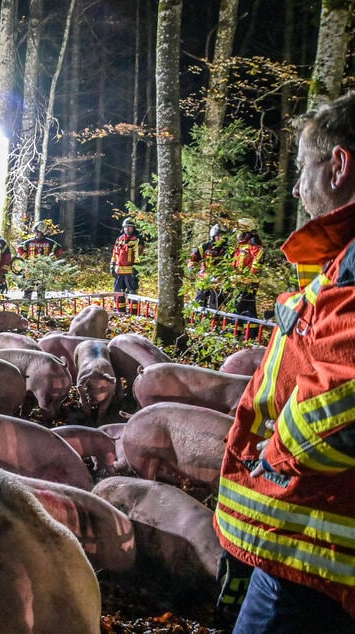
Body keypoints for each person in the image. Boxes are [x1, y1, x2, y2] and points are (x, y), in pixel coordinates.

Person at [213, 91, 355, 633]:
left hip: (314, 547)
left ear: (338, 166)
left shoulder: (353, 266)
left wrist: (273, 452)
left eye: (302, 169)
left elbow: (342, 397)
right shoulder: (343, 258)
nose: (296, 188)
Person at [17, 220, 65, 305]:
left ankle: (41, 314)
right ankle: (24, 315)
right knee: (27, 293)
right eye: (36, 232)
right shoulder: (29, 242)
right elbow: (19, 248)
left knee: (41, 294)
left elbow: (60, 250)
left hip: (43, 273)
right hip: (30, 273)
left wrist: (51, 260)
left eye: (38, 232)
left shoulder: (50, 242)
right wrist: (26, 257)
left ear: (43, 233)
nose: (36, 234)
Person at [230, 216, 264, 336]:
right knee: (247, 306)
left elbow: (257, 261)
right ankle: (249, 333)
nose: (237, 234)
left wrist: (248, 277)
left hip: (248, 281)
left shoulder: (254, 245)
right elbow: (236, 262)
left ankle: (236, 332)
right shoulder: (242, 245)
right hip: (239, 280)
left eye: (239, 231)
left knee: (239, 304)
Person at [187, 223, 228, 309]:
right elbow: (193, 258)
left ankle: (213, 320)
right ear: (214, 235)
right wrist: (192, 268)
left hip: (219, 282)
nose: (221, 238)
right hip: (204, 279)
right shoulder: (205, 247)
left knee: (215, 305)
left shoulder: (227, 250)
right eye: (219, 236)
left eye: (223, 236)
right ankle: (197, 319)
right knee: (199, 303)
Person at [110, 217, 142, 313]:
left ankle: (134, 313)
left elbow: (139, 255)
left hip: (130, 271)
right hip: (119, 271)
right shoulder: (119, 239)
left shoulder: (137, 240)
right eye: (125, 227)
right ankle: (121, 311)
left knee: (132, 292)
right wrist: (112, 265)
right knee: (118, 292)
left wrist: (136, 269)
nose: (127, 229)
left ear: (133, 228)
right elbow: (115, 254)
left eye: (129, 227)